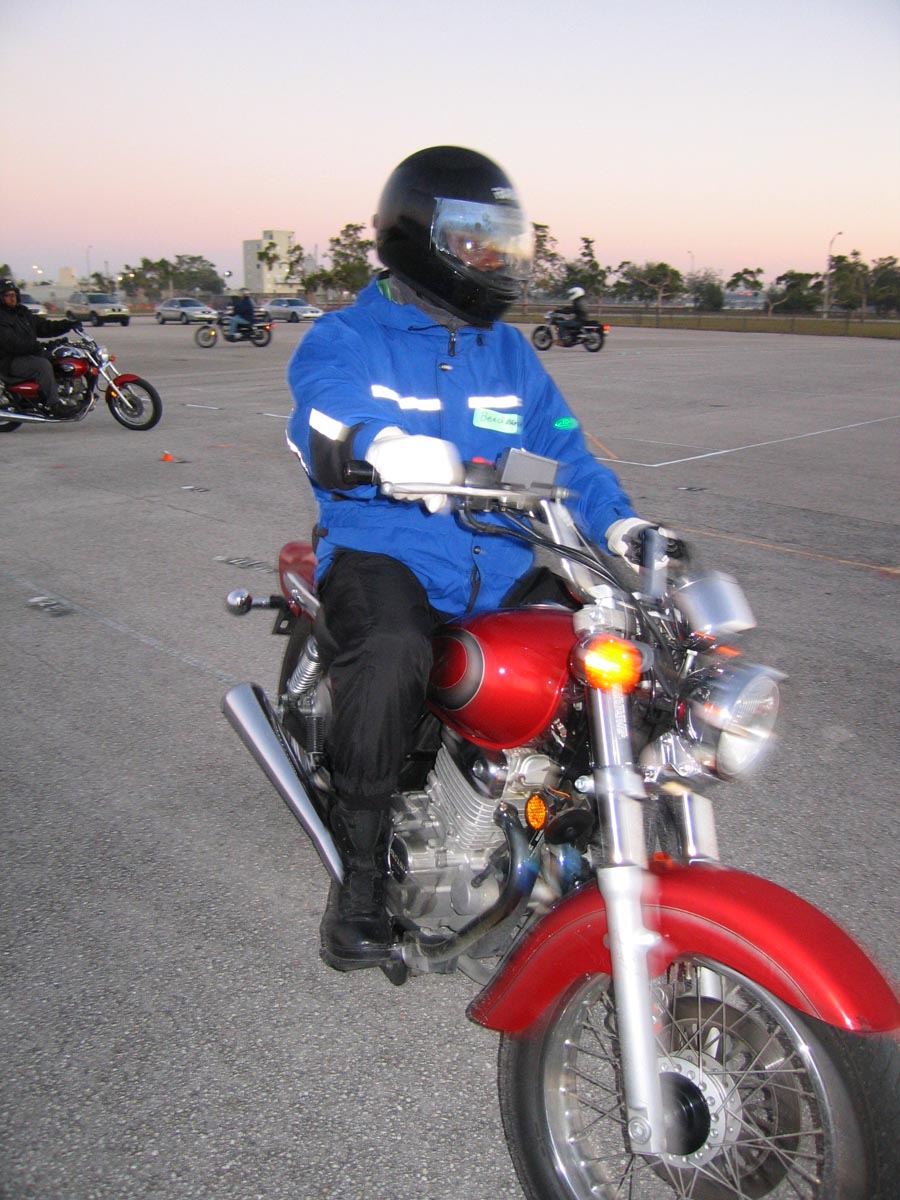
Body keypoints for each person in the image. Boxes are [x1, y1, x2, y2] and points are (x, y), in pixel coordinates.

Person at [285, 146, 664, 972]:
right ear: (417, 237)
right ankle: (360, 881)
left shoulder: (508, 351)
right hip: (386, 549)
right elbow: (321, 417)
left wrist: (623, 529)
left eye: (500, 243)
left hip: (499, 558)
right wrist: (381, 444)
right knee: (392, 653)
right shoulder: (346, 337)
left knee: (607, 647)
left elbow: (565, 453)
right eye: (473, 242)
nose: (491, 260)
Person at [0, 279, 82, 408]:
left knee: (60, 359)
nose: (12, 298)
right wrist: (37, 347)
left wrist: (68, 325)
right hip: (9, 360)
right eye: (7, 295)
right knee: (42, 365)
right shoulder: (2, 317)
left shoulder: (22, 313)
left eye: (14, 294)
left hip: (27, 354)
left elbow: (43, 326)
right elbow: (12, 343)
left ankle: (67, 395)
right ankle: (54, 405)